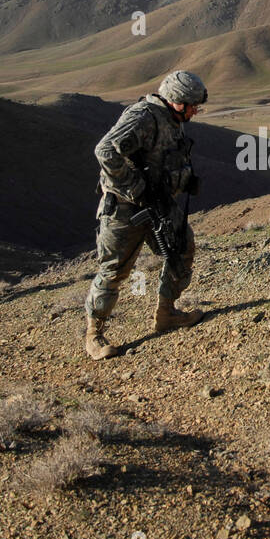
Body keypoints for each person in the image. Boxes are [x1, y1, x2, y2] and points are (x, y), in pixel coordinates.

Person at [85, 70, 207, 359]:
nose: (195, 110)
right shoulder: (143, 116)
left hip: (159, 204)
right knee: (115, 270)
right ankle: (94, 334)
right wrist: (136, 187)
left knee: (181, 248)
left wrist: (182, 179)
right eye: (190, 105)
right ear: (175, 100)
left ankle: (166, 314)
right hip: (125, 208)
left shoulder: (173, 120)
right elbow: (105, 151)